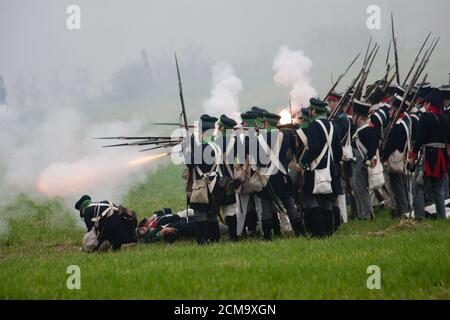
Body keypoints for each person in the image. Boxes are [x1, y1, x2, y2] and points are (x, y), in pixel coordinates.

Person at [296, 98, 342, 237]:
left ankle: (318, 232)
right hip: (329, 169)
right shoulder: (332, 125)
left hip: (315, 169)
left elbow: (313, 148)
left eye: (311, 109)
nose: (309, 111)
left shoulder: (313, 126)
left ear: (314, 111)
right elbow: (338, 151)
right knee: (326, 199)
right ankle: (329, 231)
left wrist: (302, 163)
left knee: (311, 198)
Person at [409, 88, 450, 219]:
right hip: (442, 156)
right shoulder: (445, 119)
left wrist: (413, 155)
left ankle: (419, 217)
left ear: (428, 103)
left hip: (428, 156)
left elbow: (420, 138)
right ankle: (441, 216)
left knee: (418, 186)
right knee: (438, 189)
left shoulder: (425, 117)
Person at [185, 114, 221, 244]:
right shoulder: (216, 146)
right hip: (214, 183)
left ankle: (203, 241)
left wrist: (188, 149)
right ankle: (215, 239)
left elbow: (189, 164)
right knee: (212, 215)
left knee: (201, 215)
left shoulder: (201, 148)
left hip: (202, 184)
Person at [382, 95, 413, 218]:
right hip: (402, 157)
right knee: (401, 185)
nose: (389, 112)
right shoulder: (406, 122)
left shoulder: (398, 125)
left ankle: (402, 211)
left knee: (397, 187)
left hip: (396, 159)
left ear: (397, 110)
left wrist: (383, 157)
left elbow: (391, 145)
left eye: (391, 109)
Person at [350, 100, 379, 220]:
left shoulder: (366, 130)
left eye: (354, 115)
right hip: (357, 161)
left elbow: (373, 146)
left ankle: (367, 215)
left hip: (361, 162)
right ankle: (363, 214)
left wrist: (367, 161)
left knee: (361, 190)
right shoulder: (362, 129)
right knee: (357, 189)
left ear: (359, 117)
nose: (352, 117)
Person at [215, 114, 238, 241]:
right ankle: (233, 236)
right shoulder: (235, 142)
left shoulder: (215, 141)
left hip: (218, 180)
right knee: (230, 210)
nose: (218, 127)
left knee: (217, 207)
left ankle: (221, 236)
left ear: (223, 128)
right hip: (230, 178)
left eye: (220, 126)